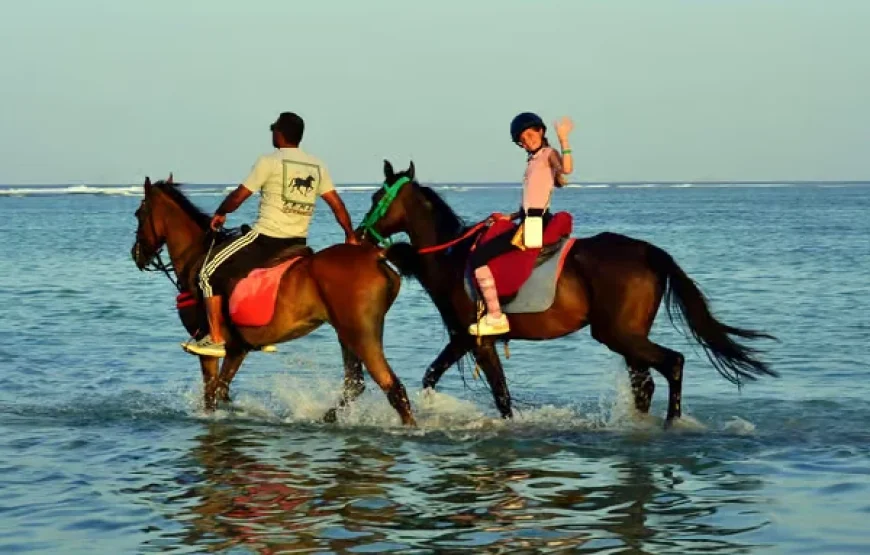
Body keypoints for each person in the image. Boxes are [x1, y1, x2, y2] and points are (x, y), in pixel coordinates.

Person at [183, 111, 359, 357]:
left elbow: (239, 195)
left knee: (207, 273)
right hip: (298, 242)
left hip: (265, 239)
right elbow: (336, 204)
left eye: (273, 130)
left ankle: (214, 339)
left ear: (280, 133)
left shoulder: (269, 161)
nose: (272, 134)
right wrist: (350, 235)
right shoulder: (317, 165)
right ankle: (257, 334)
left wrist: (221, 213)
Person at [467, 112, 575, 336]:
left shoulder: (548, 154)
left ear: (541, 131)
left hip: (536, 225)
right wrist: (511, 217)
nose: (527, 140)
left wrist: (564, 139)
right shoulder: (533, 160)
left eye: (529, 134)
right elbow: (531, 201)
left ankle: (496, 316)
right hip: (527, 220)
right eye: (522, 138)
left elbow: (566, 169)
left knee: (479, 257)